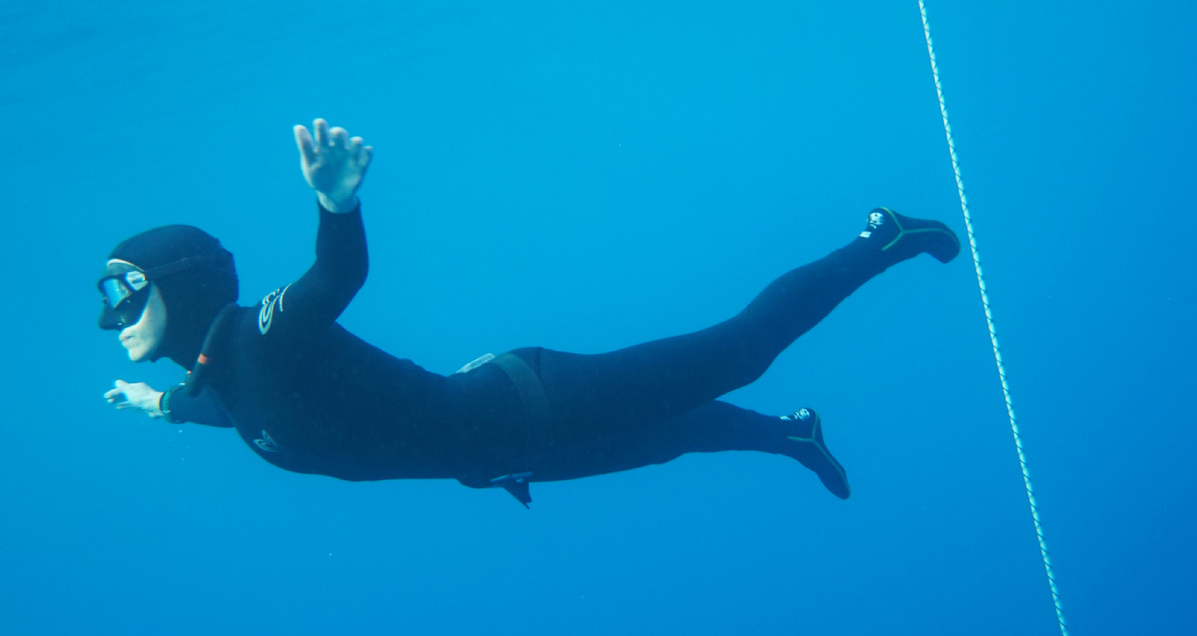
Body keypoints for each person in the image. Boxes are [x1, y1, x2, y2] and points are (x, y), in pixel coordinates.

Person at [100, 119, 959, 506]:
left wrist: (337, 204)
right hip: (507, 455)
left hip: (527, 401)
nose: (111, 316)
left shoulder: (264, 333)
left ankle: (881, 239)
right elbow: (212, 405)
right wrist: (159, 406)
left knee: (739, 350)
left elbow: (336, 276)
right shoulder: (218, 385)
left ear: (182, 282)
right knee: (676, 435)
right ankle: (793, 434)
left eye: (120, 289)